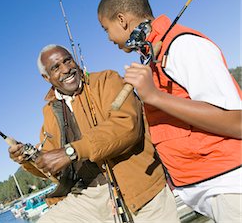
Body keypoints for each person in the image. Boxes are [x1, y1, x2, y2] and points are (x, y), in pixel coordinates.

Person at [97, 0, 242, 222]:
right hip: (210, 192)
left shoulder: (183, 45)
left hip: (229, 187)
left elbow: (237, 121)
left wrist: (154, 96)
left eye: (106, 29)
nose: (109, 38)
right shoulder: (154, 56)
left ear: (122, 19)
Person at [9, 44, 179, 222]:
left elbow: (126, 125)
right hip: (89, 198)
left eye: (68, 60)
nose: (66, 69)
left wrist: (71, 151)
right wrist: (28, 160)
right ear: (46, 77)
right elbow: (52, 166)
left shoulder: (107, 80)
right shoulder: (49, 113)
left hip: (140, 189)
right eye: (56, 67)